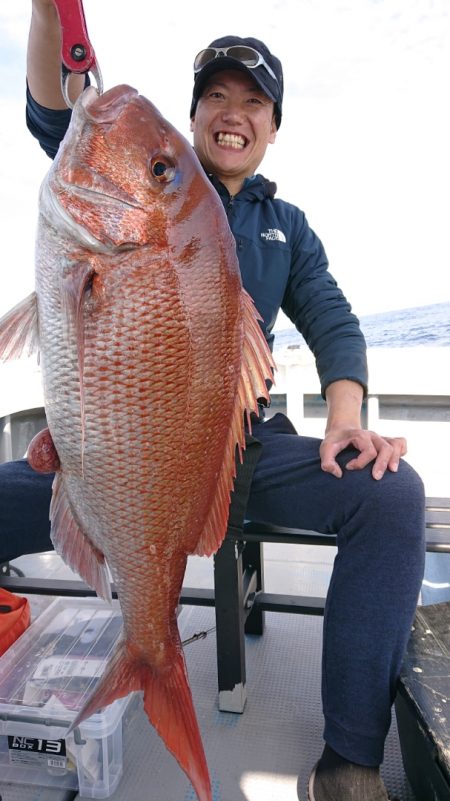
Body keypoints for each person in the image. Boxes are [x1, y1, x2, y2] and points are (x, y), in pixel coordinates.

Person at [0, 2, 426, 799]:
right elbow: (51, 103)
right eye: (217, 98)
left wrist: (345, 423)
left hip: (244, 454)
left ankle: (351, 761)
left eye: (254, 102)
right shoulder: (118, 171)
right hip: (106, 458)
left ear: (273, 126)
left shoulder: (284, 227)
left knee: (393, 494)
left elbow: (333, 321)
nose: (234, 114)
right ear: (194, 116)